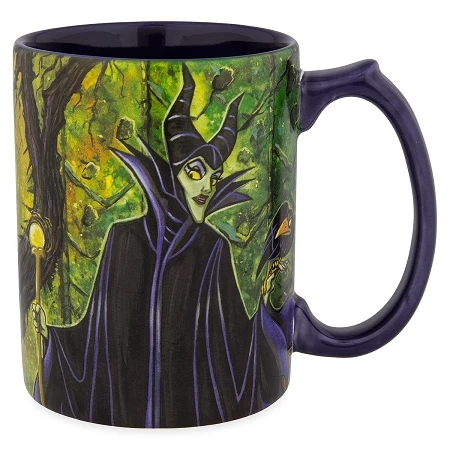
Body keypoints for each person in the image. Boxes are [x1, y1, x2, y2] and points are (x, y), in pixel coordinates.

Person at [32, 64, 291, 428]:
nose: (207, 187)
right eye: (196, 172)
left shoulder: (213, 248)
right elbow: (94, 337)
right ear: (173, 172)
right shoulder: (122, 239)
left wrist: (268, 304)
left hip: (206, 424)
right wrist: (54, 338)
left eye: (214, 177)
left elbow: (237, 341)